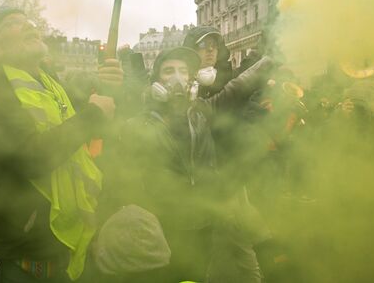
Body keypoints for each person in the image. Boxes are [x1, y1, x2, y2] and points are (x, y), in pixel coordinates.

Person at [0, 7, 116, 282]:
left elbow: (73, 120)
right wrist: (92, 115)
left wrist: (110, 86)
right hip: (27, 246)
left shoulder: (47, 80)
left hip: (58, 237)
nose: (29, 26)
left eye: (28, 21)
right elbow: (30, 158)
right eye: (13, 23)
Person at [110, 46, 274, 282]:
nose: (177, 77)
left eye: (183, 71)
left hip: (202, 223)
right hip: (162, 226)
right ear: (156, 81)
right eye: (168, 71)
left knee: (195, 275)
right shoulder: (139, 124)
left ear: (191, 79)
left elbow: (238, 88)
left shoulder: (202, 112)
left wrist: (270, 58)